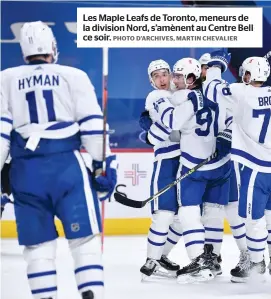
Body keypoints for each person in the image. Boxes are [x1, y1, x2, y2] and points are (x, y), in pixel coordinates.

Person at [0, 21, 117, 299]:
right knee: (84, 240)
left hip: (25, 172)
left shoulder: (5, 78)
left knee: (38, 246)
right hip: (67, 168)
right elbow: (92, 127)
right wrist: (104, 167)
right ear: (52, 47)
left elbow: (2, 133)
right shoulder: (72, 75)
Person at [206, 53, 271, 282]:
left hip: (255, 167)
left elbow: (212, 89)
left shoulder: (242, 92)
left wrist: (216, 65)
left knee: (253, 220)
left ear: (248, 74)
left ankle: (255, 266)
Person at [203, 50, 249, 276]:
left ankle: (249, 255)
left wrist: (227, 136)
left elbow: (234, 118)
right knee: (211, 210)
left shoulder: (230, 91)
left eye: (206, 68)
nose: (203, 73)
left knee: (232, 209)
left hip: (231, 161)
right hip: (210, 163)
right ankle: (212, 257)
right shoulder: (194, 94)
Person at [138, 59, 183, 280]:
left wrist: (149, 135)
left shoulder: (180, 92)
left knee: (184, 217)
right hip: (167, 159)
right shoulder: (156, 96)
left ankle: (161, 257)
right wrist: (151, 135)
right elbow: (169, 125)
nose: (162, 79)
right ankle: (151, 259)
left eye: (164, 74)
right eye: (156, 76)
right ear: (151, 81)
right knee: (164, 214)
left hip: (186, 160)